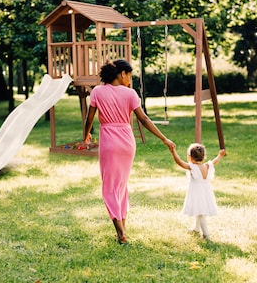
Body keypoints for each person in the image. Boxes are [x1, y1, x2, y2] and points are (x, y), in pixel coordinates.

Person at [84, 59, 175, 245]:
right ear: (122, 74)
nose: (130, 79)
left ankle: (120, 233)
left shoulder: (97, 91)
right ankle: (123, 228)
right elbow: (144, 119)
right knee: (121, 186)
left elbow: (89, 118)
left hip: (109, 142)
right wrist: (164, 138)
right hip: (127, 142)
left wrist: (85, 135)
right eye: (129, 75)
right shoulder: (130, 94)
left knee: (110, 187)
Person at [169, 142, 226, 241]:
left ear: (190, 157)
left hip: (197, 193)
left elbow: (179, 162)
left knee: (201, 214)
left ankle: (206, 235)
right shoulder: (207, 166)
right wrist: (220, 155)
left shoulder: (192, 167)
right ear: (203, 157)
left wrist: (173, 151)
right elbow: (215, 161)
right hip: (206, 193)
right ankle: (196, 228)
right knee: (199, 211)